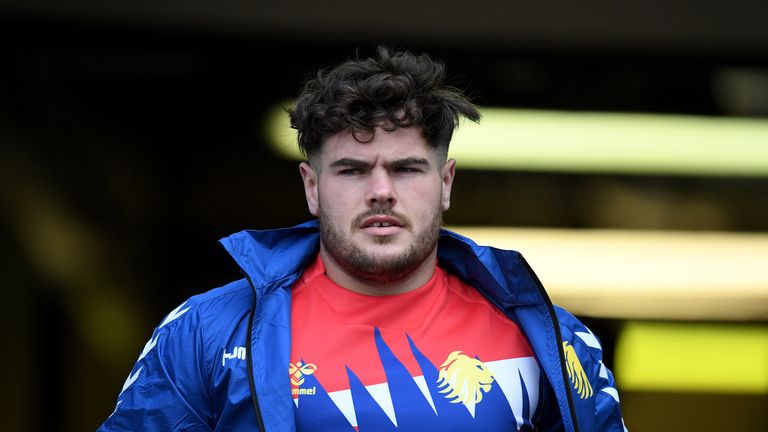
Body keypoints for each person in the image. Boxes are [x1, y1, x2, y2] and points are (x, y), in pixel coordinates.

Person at [98, 47, 627, 431]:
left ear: (445, 184)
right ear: (312, 186)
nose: (381, 192)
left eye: (406, 169)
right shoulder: (207, 332)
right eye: (352, 170)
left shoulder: (548, 340)